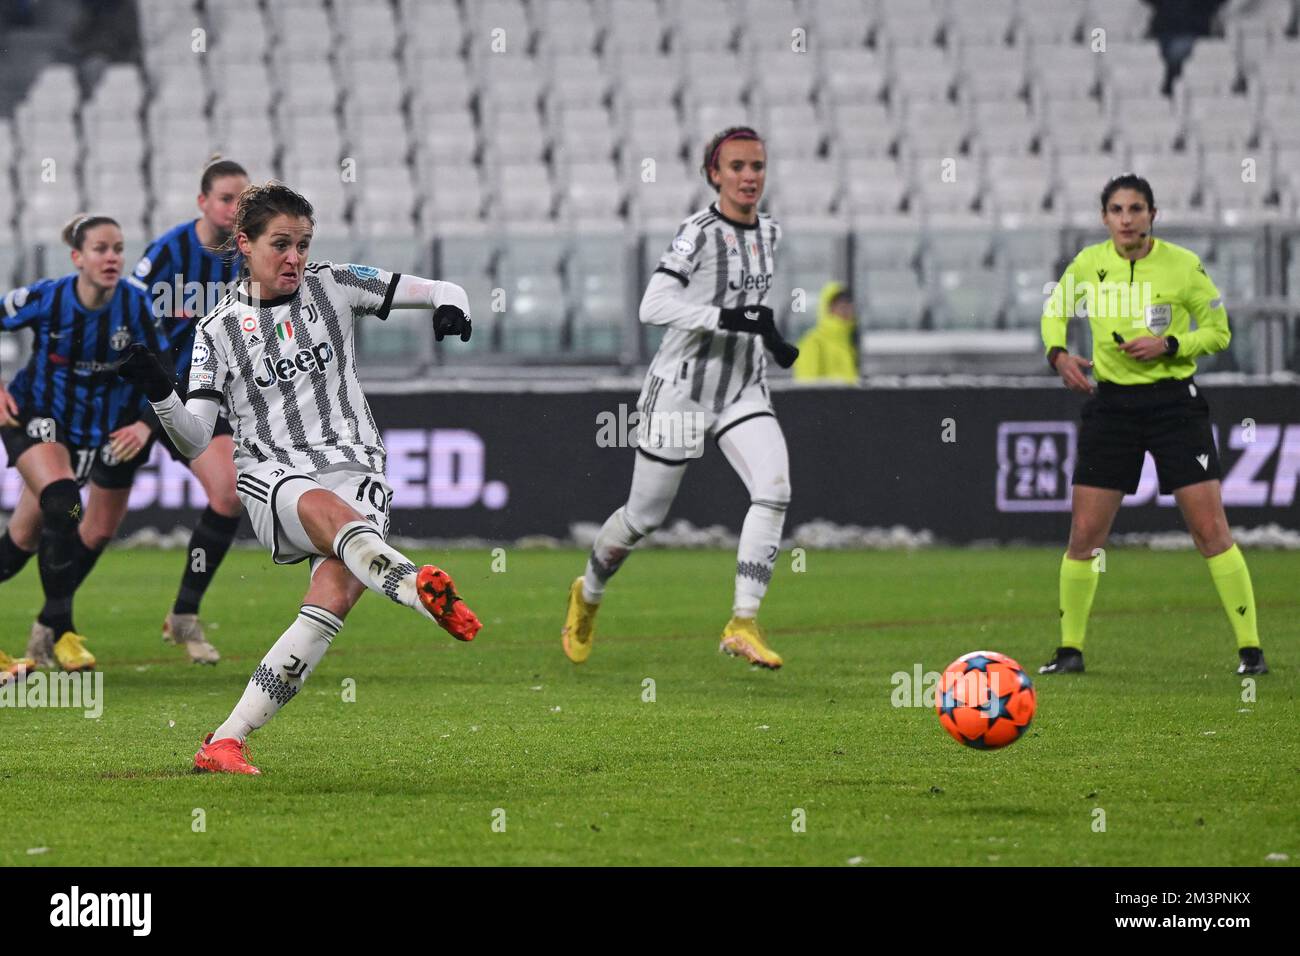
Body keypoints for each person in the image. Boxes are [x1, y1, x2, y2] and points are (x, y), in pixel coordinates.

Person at [118, 181, 482, 774]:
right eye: (281, 244)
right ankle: (416, 587)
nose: (294, 258)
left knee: (330, 601)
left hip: (360, 466)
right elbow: (192, 437)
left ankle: (226, 741)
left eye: (303, 244)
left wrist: (452, 305)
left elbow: (439, 286)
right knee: (333, 518)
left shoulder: (335, 285)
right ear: (245, 243)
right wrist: (160, 390)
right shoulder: (218, 330)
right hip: (273, 474)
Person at [561, 126, 798, 670]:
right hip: (682, 392)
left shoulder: (772, 233)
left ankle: (742, 621)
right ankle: (589, 593)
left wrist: (772, 340)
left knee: (775, 489)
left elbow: (749, 305)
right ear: (714, 173)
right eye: (736, 167)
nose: (748, 177)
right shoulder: (698, 232)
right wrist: (727, 318)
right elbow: (653, 304)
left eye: (757, 167)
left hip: (742, 387)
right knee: (643, 518)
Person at [1039, 173, 1267, 676]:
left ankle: (1251, 650)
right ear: (1105, 218)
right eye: (1117, 210)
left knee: (1210, 531)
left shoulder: (1183, 266)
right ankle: (1070, 649)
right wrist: (1058, 354)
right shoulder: (1087, 264)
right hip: (1112, 406)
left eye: (1136, 209)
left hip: (1174, 407)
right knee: (1084, 535)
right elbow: (1055, 310)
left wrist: (1170, 345)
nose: (1126, 219)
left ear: (1152, 216)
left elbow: (1218, 330)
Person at [0, 214, 169, 672]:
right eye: (100, 248)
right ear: (77, 257)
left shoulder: (136, 306)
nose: (112, 257)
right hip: (34, 417)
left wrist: (146, 425)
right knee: (64, 505)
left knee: (23, 541)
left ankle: (50, 632)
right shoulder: (47, 297)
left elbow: (165, 370)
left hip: (96, 433)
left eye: (118, 248)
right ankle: (62, 632)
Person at [125, 155, 250, 664]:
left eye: (244, 200)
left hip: (205, 394)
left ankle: (184, 616)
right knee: (85, 522)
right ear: (203, 202)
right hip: (147, 394)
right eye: (226, 198)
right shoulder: (167, 253)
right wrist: (138, 411)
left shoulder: (251, 253)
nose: (236, 208)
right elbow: (127, 321)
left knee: (228, 495)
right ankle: (53, 625)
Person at [793, 281, 860, 385]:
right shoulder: (812, 342)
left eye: (849, 306)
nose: (846, 311)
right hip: (827, 400)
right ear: (827, 309)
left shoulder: (847, 342)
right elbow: (805, 386)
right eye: (841, 306)